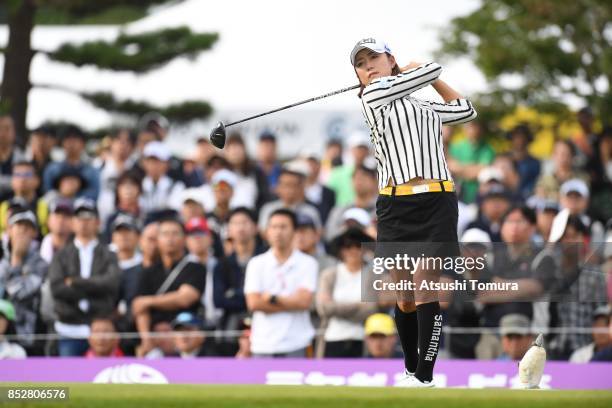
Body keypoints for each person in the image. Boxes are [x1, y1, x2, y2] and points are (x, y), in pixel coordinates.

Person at [351, 37, 476, 386]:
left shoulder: (421, 105)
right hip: (394, 204)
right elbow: (431, 66)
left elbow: (466, 110)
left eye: (374, 58)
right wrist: (413, 69)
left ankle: (424, 376)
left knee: (424, 284)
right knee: (404, 293)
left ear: (390, 59)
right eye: (361, 64)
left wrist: (427, 78)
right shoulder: (372, 97)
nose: (368, 66)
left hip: (437, 199)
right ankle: (409, 366)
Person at [48, 198, 121, 356]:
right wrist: (95, 288)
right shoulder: (61, 255)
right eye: (79, 218)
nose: (84, 222)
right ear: (73, 223)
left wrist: (75, 282)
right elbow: (57, 288)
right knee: (69, 379)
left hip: (102, 331)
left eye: (89, 218)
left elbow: (111, 284)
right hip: (69, 329)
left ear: (97, 222)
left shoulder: (109, 254)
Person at [244, 209, 317, 357]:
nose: (278, 232)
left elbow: (304, 302)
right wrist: (291, 302)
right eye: (274, 227)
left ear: (294, 231)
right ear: (267, 232)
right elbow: (254, 303)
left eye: (283, 227)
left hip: (297, 343)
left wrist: (272, 298)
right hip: (263, 344)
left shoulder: (308, 263)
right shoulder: (256, 263)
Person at [132, 216, 206, 357]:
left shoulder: (195, 268)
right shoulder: (148, 272)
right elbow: (138, 307)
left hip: (186, 335)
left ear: (184, 239)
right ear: (158, 240)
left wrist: (148, 301)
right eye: (165, 234)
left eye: (175, 233)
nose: (170, 239)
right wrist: (146, 337)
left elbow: (185, 298)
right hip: (155, 338)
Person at [315, 228, 377, 358]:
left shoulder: (373, 275)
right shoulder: (329, 275)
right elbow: (323, 308)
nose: (353, 250)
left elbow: (370, 308)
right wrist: (358, 306)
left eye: (357, 246)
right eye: (347, 246)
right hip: (332, 338)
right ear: (341, 250)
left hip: (362, 339)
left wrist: (335, 307)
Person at [213, 207, 264, 356]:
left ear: (255, 227)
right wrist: (252, 298)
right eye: (235, 223)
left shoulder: (266, 259)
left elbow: (271, 294)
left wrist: (235, 293)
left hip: (264, 322)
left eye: (244, 222)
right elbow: (219, 300)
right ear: (228, 230)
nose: (240, 227)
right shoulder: (222, 265)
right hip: (231, 326)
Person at [0, 210, 48, 355]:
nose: (22, 232)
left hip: (30, 334)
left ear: (34, 233)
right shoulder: (2, 263)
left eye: (27, 228)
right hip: (3, 334)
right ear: (9, 230)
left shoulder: (40, 264)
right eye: (18, 226)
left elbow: (20, 292)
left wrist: (16, 260)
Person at [257, 164, 321, 235]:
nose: (289, 190)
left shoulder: (310, 212)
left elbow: (318, 233)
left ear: (301, 188)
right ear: (278, 187)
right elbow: (263, 232)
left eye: (293, 185)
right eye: (286, 185)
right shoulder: (268, 209)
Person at [42, 125, 99, 201]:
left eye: (75, 141)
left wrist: (72, 196)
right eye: (68, 141)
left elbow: (94, 194)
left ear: (83, 144)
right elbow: (47, 191)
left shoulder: (91, 171)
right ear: (62, 144)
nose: (71, 145)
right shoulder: (52, 169)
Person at [449, 121, 495, 204]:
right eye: (470, 127)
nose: (473, 130)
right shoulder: (456, 147)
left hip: (479, 195)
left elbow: (483, 170)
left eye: (476, 127)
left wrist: (461, 168)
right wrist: (474, 168)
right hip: (458, 194)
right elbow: (452, 168)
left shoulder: (488, 149)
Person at [0, 161, 48, 236]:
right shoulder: (4, 206)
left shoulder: (44, 205)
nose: (22, 179)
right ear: (12, 181)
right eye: (17, 175)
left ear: (37, 181)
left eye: (27, 174)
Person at [140, 141, 185, 214]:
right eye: (149, 161)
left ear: (167, 163)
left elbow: (173, 211)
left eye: (157, 161)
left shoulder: (176, 186)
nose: (152, 165)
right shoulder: (138, 185)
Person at [506, 125, 541, 198]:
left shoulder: (534, 163)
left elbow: (534, 185)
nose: (519, 141)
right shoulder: (504, 159)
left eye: (522, 137)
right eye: (517, 137)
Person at [0, 115, 25, 203]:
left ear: (14, 132)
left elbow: (23, 182)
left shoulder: (23, 158)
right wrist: (13, 181)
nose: (2, 133)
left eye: (7, 129)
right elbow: (17, 182)